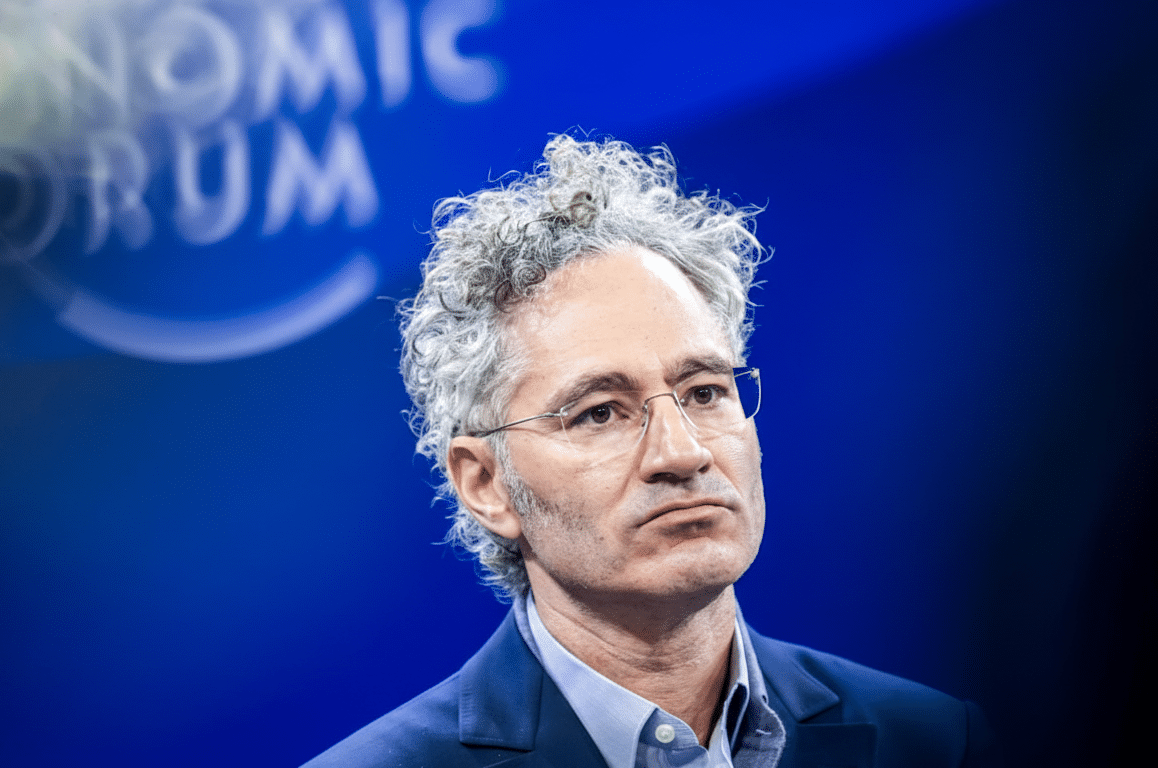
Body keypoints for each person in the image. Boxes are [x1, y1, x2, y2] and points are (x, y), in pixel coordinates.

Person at [304, 135, 996, 768]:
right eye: (601, 412)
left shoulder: (936, 741)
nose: (683, 453)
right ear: (486, 483)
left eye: (703, 392)